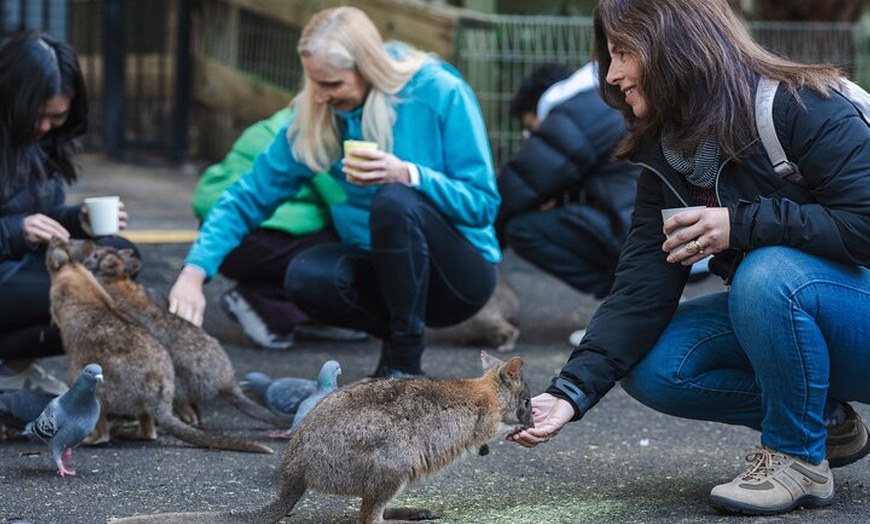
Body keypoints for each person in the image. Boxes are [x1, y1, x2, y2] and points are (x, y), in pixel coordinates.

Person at [509, 0, 870, 516]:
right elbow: (640, 286)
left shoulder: (803, 104)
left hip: (855, 316)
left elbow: (866, 225)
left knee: (766, 275)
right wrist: (570, 392)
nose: (611, 74)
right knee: (655, 363)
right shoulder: (668, 153)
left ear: (670, 44)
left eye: (622, 52)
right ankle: (828, 424)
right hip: (803, 314)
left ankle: (796, 457)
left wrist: (739, 223)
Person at [168, 6, 500, 378]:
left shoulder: (439, 91)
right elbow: (248, 196)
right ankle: (394, 361)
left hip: (459, 276)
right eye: (315, 84)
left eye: (333, 85)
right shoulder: (319, 116)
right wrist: (193, 274)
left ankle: (405, 365)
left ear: (368, 68)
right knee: (306, 275)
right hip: (386, 270)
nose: (321, 96)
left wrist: (409, 174)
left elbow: (482, 205)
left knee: (394, 199)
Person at [0, 31, 138, 395]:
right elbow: (23, 225)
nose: (45, 127)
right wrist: (15, 230)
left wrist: (78, 219)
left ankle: (14, 369)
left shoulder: (45, 140)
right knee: (90, 296)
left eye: (56, 117)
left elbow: (44, 217)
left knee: (120, 256)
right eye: (37, 116)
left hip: (23, 266)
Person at [193, 106, 367, 350]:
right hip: (252, 234)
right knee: (350, 251)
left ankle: (297, 313)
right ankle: (264, 304)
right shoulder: (321, 132)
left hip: (217, 227)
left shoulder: (282, 119)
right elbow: (349, 210)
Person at [497, 62, 642, 346]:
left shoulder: (574, 112)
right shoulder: (602, 97)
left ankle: (627, 306)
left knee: (522, 229)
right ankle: (633, 300)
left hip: (637, 230)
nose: (533, 136)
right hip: (665, 220)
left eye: (532, 128)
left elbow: (520, 185)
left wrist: (482, 245)